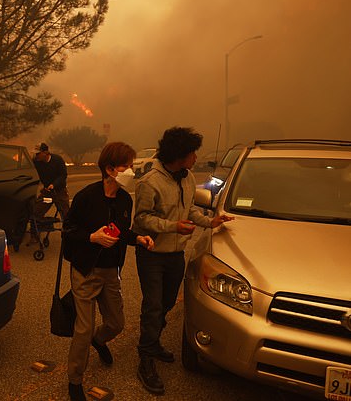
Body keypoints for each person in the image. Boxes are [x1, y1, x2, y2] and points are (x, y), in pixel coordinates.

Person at [132, 127, 234, 395]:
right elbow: (140, 220)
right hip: (151, 254)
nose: (196, 157)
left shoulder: (187, 178)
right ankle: (146, 358)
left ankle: (152, 342)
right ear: (179, 155)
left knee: (166, 303)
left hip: (176, 255)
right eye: (192, 153)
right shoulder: (149, 182)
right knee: (153, 306)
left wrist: (211, 222)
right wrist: (172, 226)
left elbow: (190, 210)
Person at [62, 142, 155, 401]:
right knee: (83, 329)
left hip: (111, 271)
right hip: (85, 271)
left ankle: (99, 340)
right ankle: (74, 380)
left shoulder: (125, 199)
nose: (131, 170)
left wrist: (138, 239)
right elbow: (68, 229)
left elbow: (122, 232)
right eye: (126, 165)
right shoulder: (86, 197)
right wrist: (92, 237)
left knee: (116, 323)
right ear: (110, 169)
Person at [28, 143, 70, 244]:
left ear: (45, 152)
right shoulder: (36, 162)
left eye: (38, 153)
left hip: (59, 191)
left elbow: (63, 175)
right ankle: (34, 235)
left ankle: (69, 236)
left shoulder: (57, 160)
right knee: (36, 211)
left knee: (66, 214)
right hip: (47, 192)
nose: (36, 156)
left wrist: (54, 184)